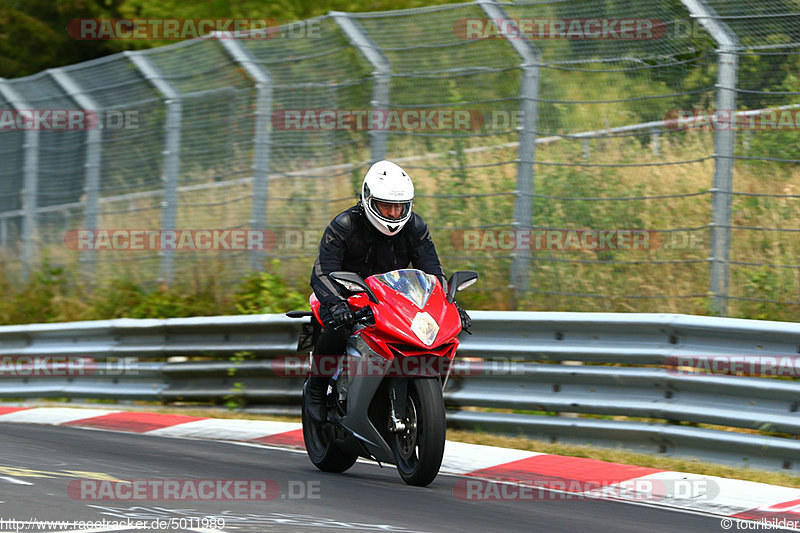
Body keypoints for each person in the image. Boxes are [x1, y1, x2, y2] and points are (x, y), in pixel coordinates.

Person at [305, 159, 471, 424]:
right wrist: (336, 304)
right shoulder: (345, 225)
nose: (394, 214)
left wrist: (448, 308)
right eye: (386, 206)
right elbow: (322, 271)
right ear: (368, 199)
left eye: (400, 207)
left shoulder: (415, 227)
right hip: (345, 295)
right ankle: (315, 390)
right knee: (339, 328)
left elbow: (432, 271)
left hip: (392, 297)